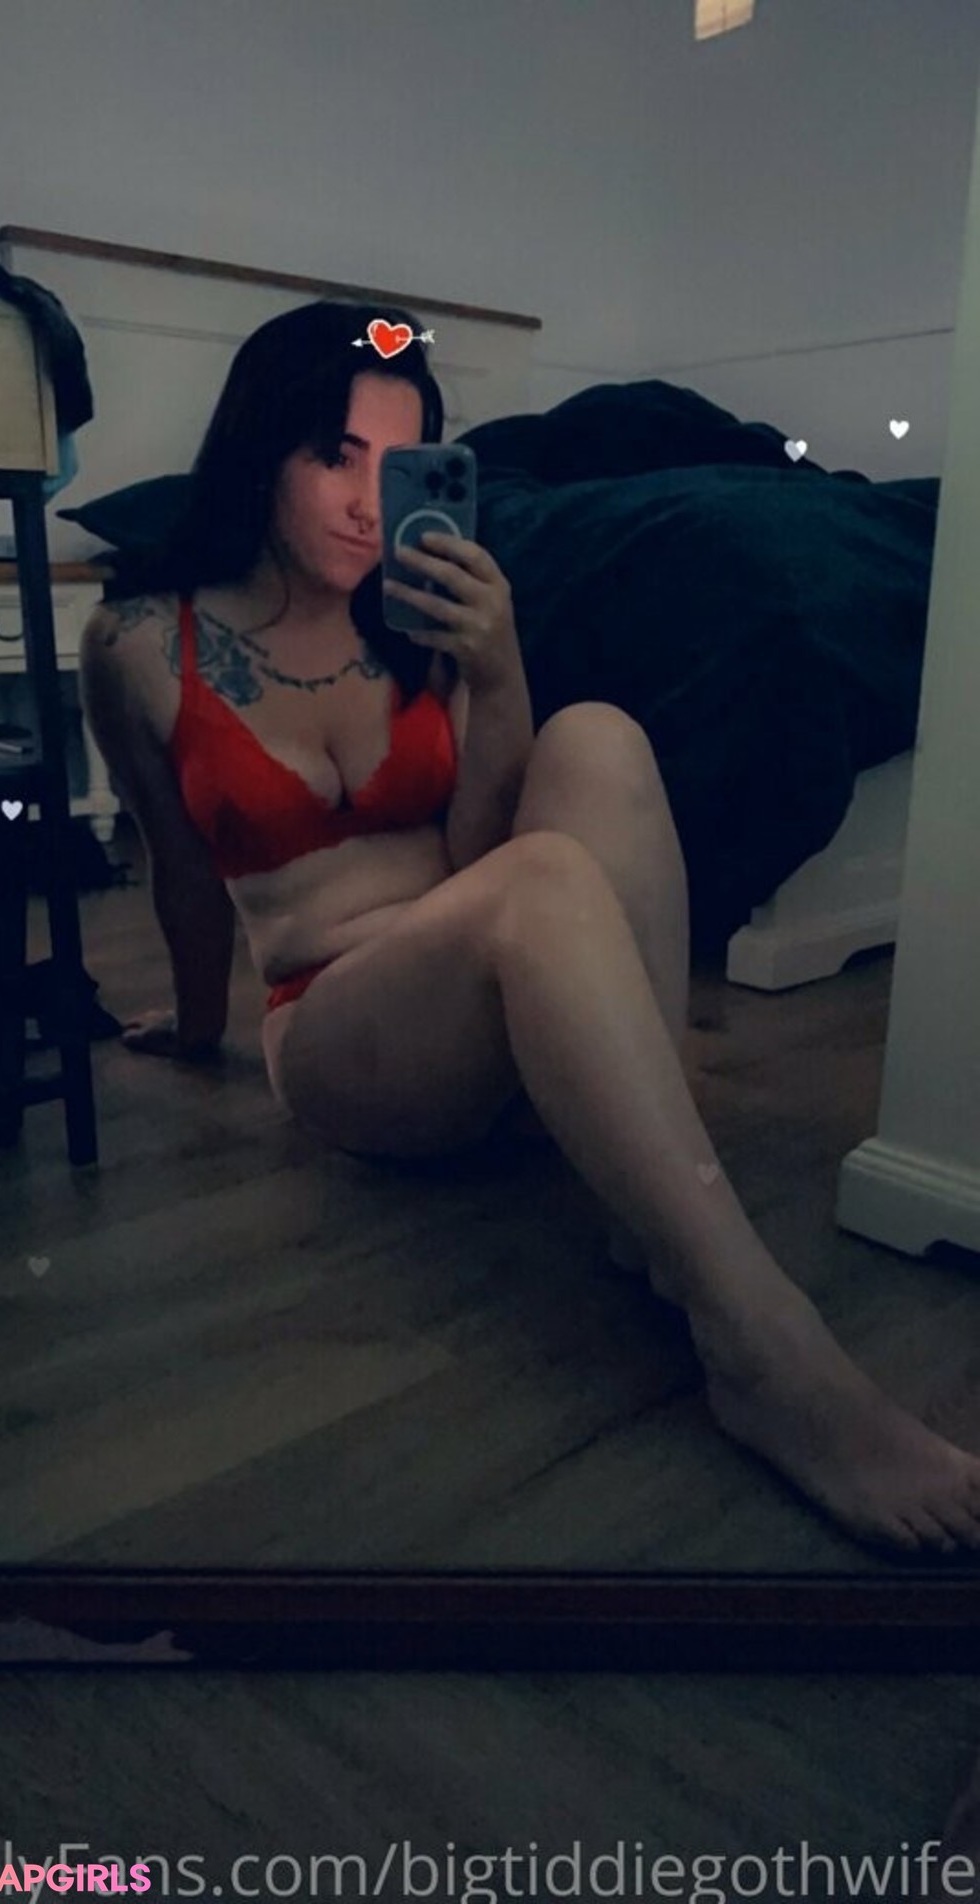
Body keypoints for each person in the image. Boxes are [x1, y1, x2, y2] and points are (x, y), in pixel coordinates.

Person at [79, 298, 980, 1561]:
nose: (369, 503)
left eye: (401, 465)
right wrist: (191, 1029)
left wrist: (497, 669)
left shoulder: (416, 611)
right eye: (335, 456)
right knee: (542, 879)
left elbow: (475, 845)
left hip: (496, 974)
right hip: (344, 1033)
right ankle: (767, 1350)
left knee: (596, 735)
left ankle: (646, 1206)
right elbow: (178, 870)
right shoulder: (138, 640)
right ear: (260, 450)